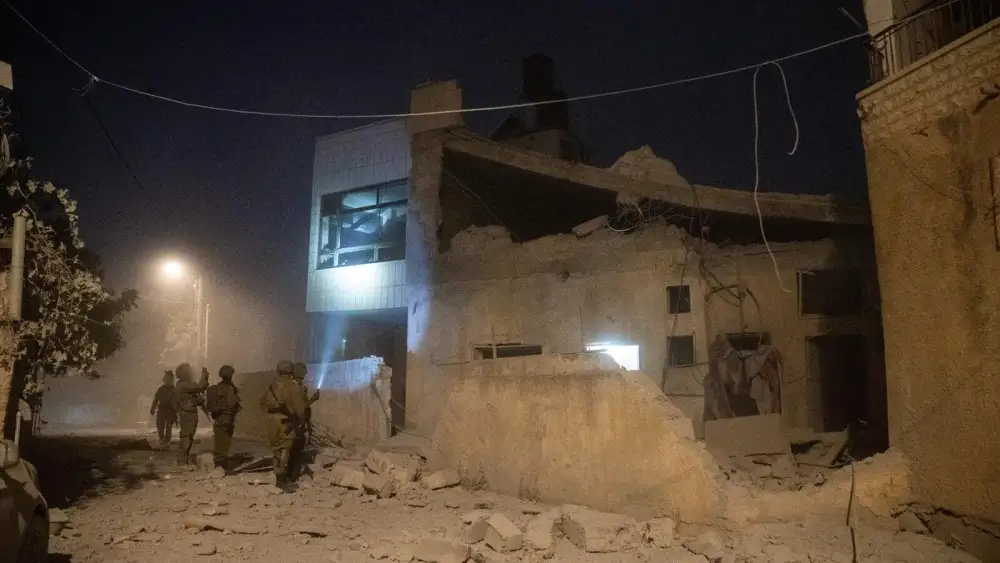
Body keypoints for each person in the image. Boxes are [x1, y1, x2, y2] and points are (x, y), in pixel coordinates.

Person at [261, 360, 306, 492]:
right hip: (285, 421)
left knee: (277, 448)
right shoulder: (292, 386)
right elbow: (300, 410)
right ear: (291, 371)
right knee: (284, 449)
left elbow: (262, 403)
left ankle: (279, 476)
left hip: (271, 420)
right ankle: (281, 480)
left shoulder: (272, 385)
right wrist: (301, 421)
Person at [206, 365, 242, 473]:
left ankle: (221, 466)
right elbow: (231, 405)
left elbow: (210, 406)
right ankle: (220, 467)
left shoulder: (215, 389)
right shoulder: (231, 389)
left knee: (221, 443)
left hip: (221, 419)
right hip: (227, 419)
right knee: (224, 443)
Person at [172, 363, 209, 465]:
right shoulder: (183, 384)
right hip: (188, 413)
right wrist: (204, 376)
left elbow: (195, 396)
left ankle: (184, 460)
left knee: (188, 436)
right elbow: (199, 387)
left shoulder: (183, 384)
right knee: (186, 437)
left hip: (188, 412)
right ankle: (182, 461)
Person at [288, 362, 320, 481]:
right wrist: (313, 399)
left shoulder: (301, 387)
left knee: (298, 449)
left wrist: (308, 423)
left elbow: (304, 408)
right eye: (304, 371)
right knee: (294, 450)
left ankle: (292, 475)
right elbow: (299, 407)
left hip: (300, 423)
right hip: (294, 423)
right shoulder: (293, 387)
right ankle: (290, 476)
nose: (306, 373)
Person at [150, 370, 177, 447]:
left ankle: (167, 441)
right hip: (162, 409)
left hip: (171, 410)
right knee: (160, 425)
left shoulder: (174, 390)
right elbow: (156, 399)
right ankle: (161, 438)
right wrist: (153, 407)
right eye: (166, 378)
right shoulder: (161, 389)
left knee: (168, 426)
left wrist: (178, 411)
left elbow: (178, 401)